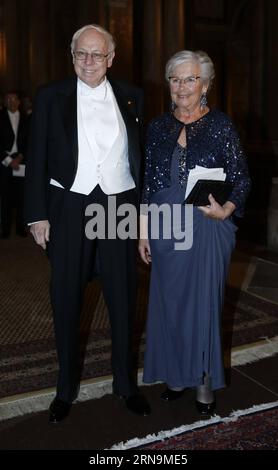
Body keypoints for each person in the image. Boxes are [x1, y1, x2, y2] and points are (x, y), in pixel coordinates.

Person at [24, 24, 150, 423]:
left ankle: (125, 385)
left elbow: (141, 160)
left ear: (111, 59)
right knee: (66, 297)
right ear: (72, 55)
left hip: (118, 205)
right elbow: (36, 157)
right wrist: (37, 214)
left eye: (97, 54)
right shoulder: (49, 96)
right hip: (70, 204)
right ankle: (65, 390)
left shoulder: (133, 96)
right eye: (82, 54)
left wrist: (143, 216)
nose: (89, 61)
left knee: (123, 295)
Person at [139, 50, 251, 415]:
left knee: (203, 306)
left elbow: (242, 179)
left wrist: (226, 210)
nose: (182, 86)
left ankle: (203, 379)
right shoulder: (157, 127)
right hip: (165, 226)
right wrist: (142, 232)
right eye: (175, 79)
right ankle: (175, 376)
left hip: (206, 227)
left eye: (190, 79)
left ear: (204, 84)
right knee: (169, 304)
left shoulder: (220, 125)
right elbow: (147, 183)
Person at [0, 92, 28, 238]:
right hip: (4, 162)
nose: (11, 102)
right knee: (5, 197)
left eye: (14, 99)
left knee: (21, 197)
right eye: (8, 99)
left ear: (19, 101)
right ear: (4, 102)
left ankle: (20, 227)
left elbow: (30, 141)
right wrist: (9, 161)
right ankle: (4, 229)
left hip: (21, 161)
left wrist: (21, 157)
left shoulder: (27, 118)